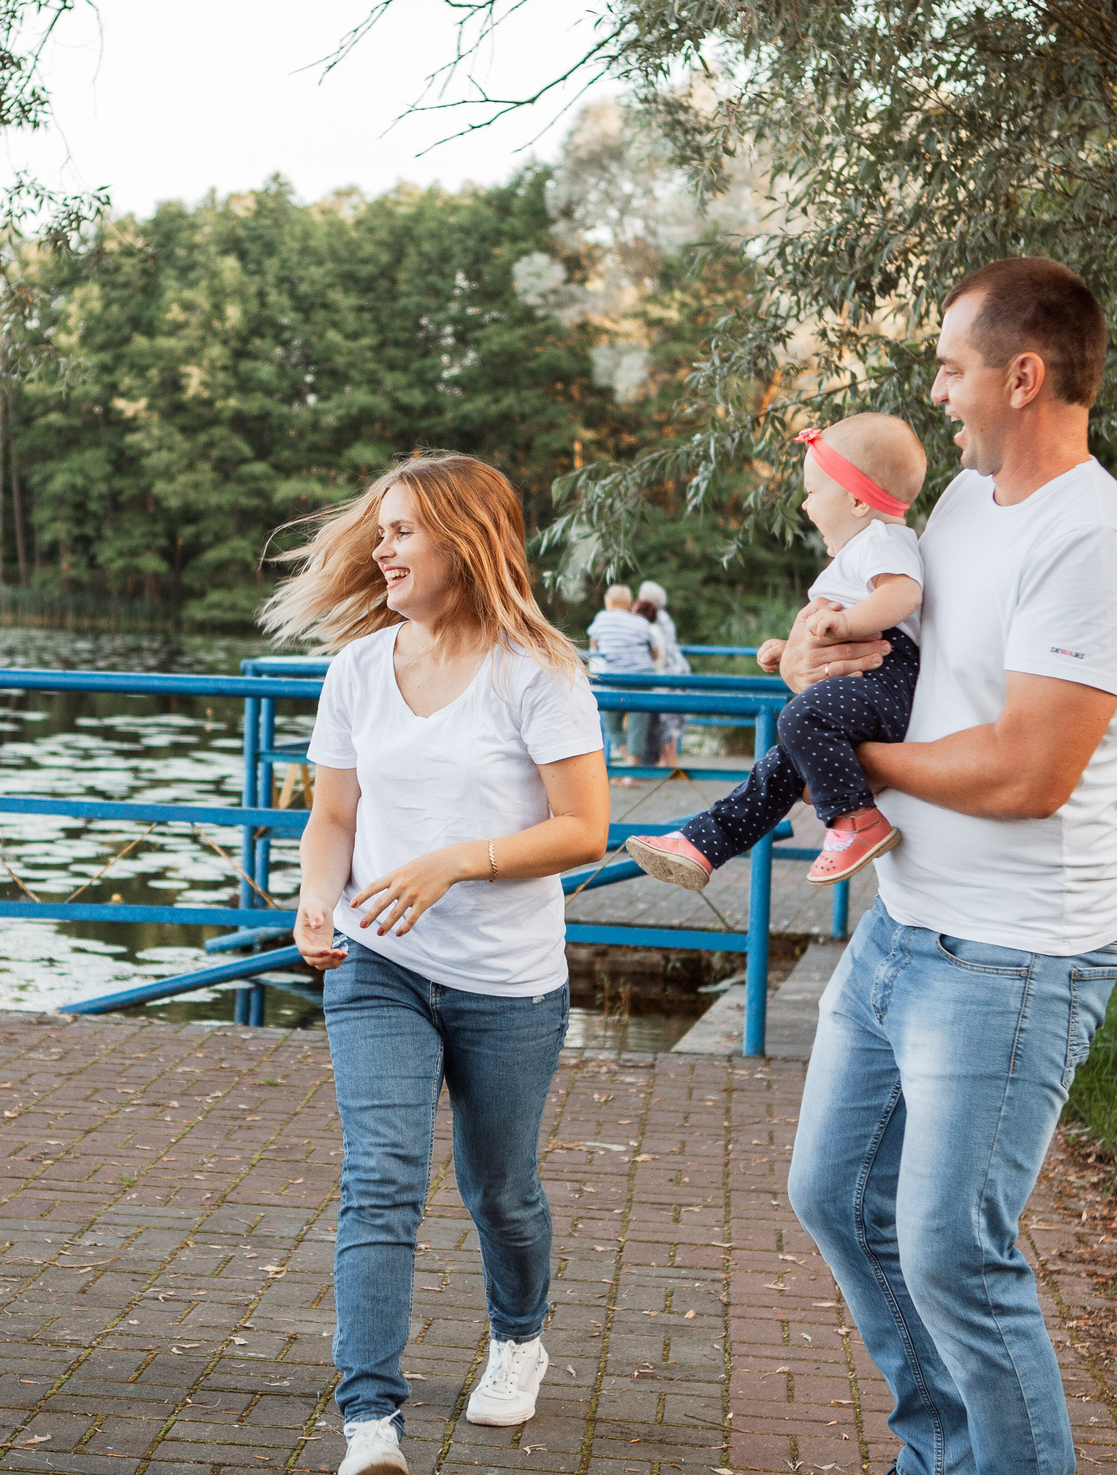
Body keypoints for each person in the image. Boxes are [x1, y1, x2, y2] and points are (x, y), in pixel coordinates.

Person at [778, 260, 1117, 1475]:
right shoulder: (954, 507)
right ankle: (944, 1455)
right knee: (833, 1197)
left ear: (1024, 374)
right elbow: (902, 663)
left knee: (954, 1251)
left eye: (951, 367)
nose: (938, 394)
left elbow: (1025, 772)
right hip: (903, 929)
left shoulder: (1095, 538)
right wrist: (817, 657)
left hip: (1013, 959)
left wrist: (866, 767)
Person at [263, 453, 610, 1475]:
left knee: (498, 1188)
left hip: (508, 982)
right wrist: (315, 895)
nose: (381, 547)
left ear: (465, 540)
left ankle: (517, 1338)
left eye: (404, 529)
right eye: (381, 528)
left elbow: (585, 828)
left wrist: (461, 861)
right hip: (379, 965)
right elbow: (333, 814)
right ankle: (370, 1423)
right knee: (381, 1178)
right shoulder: (358, 669)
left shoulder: (536, 670)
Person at [623, 412, 930, 888]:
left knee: (798, 719)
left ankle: (856, 822)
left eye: (812, 492)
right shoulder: (863, 549)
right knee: (780, 764)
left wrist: (843, 622)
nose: (805, 506)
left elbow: (903, 596)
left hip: (886, 682)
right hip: (867, 684)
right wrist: (793, 648)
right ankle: (703, 843)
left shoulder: (881, 540)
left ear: (854, 499)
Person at [584, 582, 658, 767]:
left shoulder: (601, 618)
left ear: (608, 600)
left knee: (611, 724)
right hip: (643, 675)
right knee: (638, 724)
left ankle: (630, 766)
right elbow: (654, 652)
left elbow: (593, 645)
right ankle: (633, 767)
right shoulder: (641, 622)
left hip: (615, 676)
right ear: (629, 602)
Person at [636, 581, 689, 768]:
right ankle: (667, 762)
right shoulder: (664, 618)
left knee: (667, 721)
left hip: (669, 674)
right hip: (676, 672)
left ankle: (669, 763)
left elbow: (660, 651)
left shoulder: (656, 620)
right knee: (670, 721)